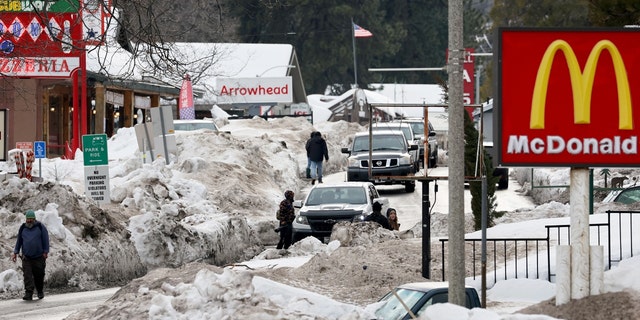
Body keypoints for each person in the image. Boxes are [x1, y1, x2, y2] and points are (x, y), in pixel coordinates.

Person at [11, 210, 50, 300]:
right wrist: (15, 252)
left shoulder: (40, 227)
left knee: (39, 275)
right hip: (26, 257)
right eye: (28, 219)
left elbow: (45, 240)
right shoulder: (23, 228)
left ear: (34, 219)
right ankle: (28, 293)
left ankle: (40, 291)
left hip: (39, 257)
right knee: (27, 275)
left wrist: (45, 251)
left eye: (31, 219)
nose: (29, 221)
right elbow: (19, 241)